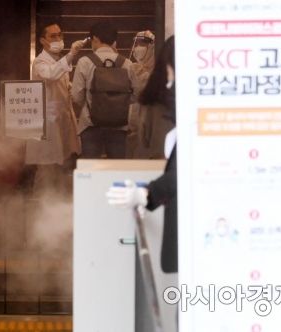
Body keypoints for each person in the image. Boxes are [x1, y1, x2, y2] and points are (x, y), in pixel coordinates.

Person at [106, 35, 177, 274]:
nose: (170, 84)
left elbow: (140, 136)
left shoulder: (150, 97)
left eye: (172, 75)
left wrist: (147, 193)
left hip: (151, 173)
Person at [25, 22, 84, 195]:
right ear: (43, 40)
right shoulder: (39, 62)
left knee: (60, 167)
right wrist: (72, 54)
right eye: (53, 36)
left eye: (60, 35)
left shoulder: (59, 62)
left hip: (61, 121)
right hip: (47, 124)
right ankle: (39, 210)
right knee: (45, 170)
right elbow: (50, 74)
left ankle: (54, 209)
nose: (58, 39)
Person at [72, 21, 140, 159]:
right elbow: (136, 94)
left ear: (95, 38)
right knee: (117, 170)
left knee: (90, 171)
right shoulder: (127, 63)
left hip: (90, 124)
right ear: (114, 40)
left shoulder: (84, 62)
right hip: (119, 126)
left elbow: (76, 96)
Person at [128, 36, 175, 159]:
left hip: (155, 163)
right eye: (136, 44)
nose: (138, 48)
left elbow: (145, 138)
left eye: (142, 44)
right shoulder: (131, 67)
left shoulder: (153, 97)